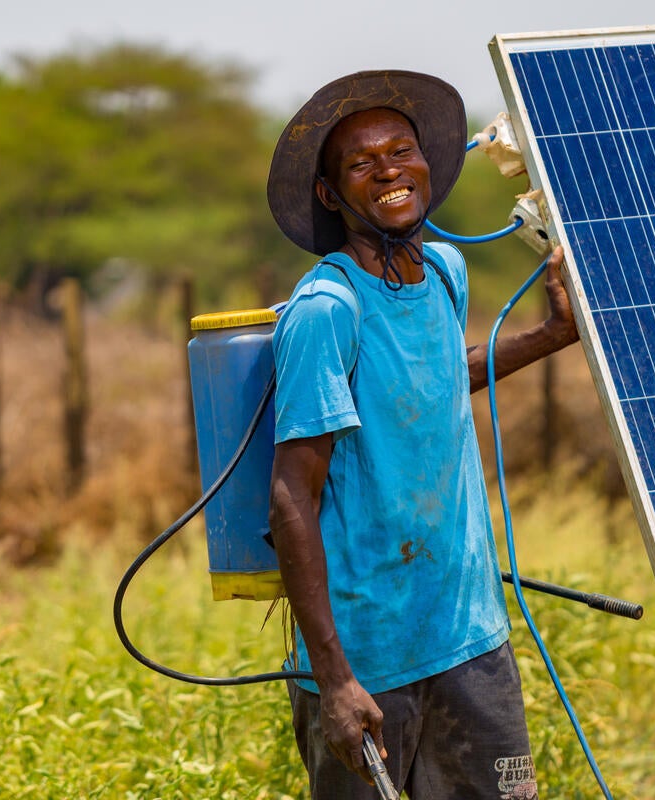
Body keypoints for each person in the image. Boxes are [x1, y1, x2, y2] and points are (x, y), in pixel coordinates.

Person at [265, 69, 579, 800]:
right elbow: (290, 498)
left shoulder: (445, 270)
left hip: (469, 639)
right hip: (368, 657)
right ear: (330, 194)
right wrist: (335, 681)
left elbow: (434, 376)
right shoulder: (325, 309)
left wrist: (550, 335)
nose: (389, 172)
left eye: (401, 151)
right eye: (361, 163)